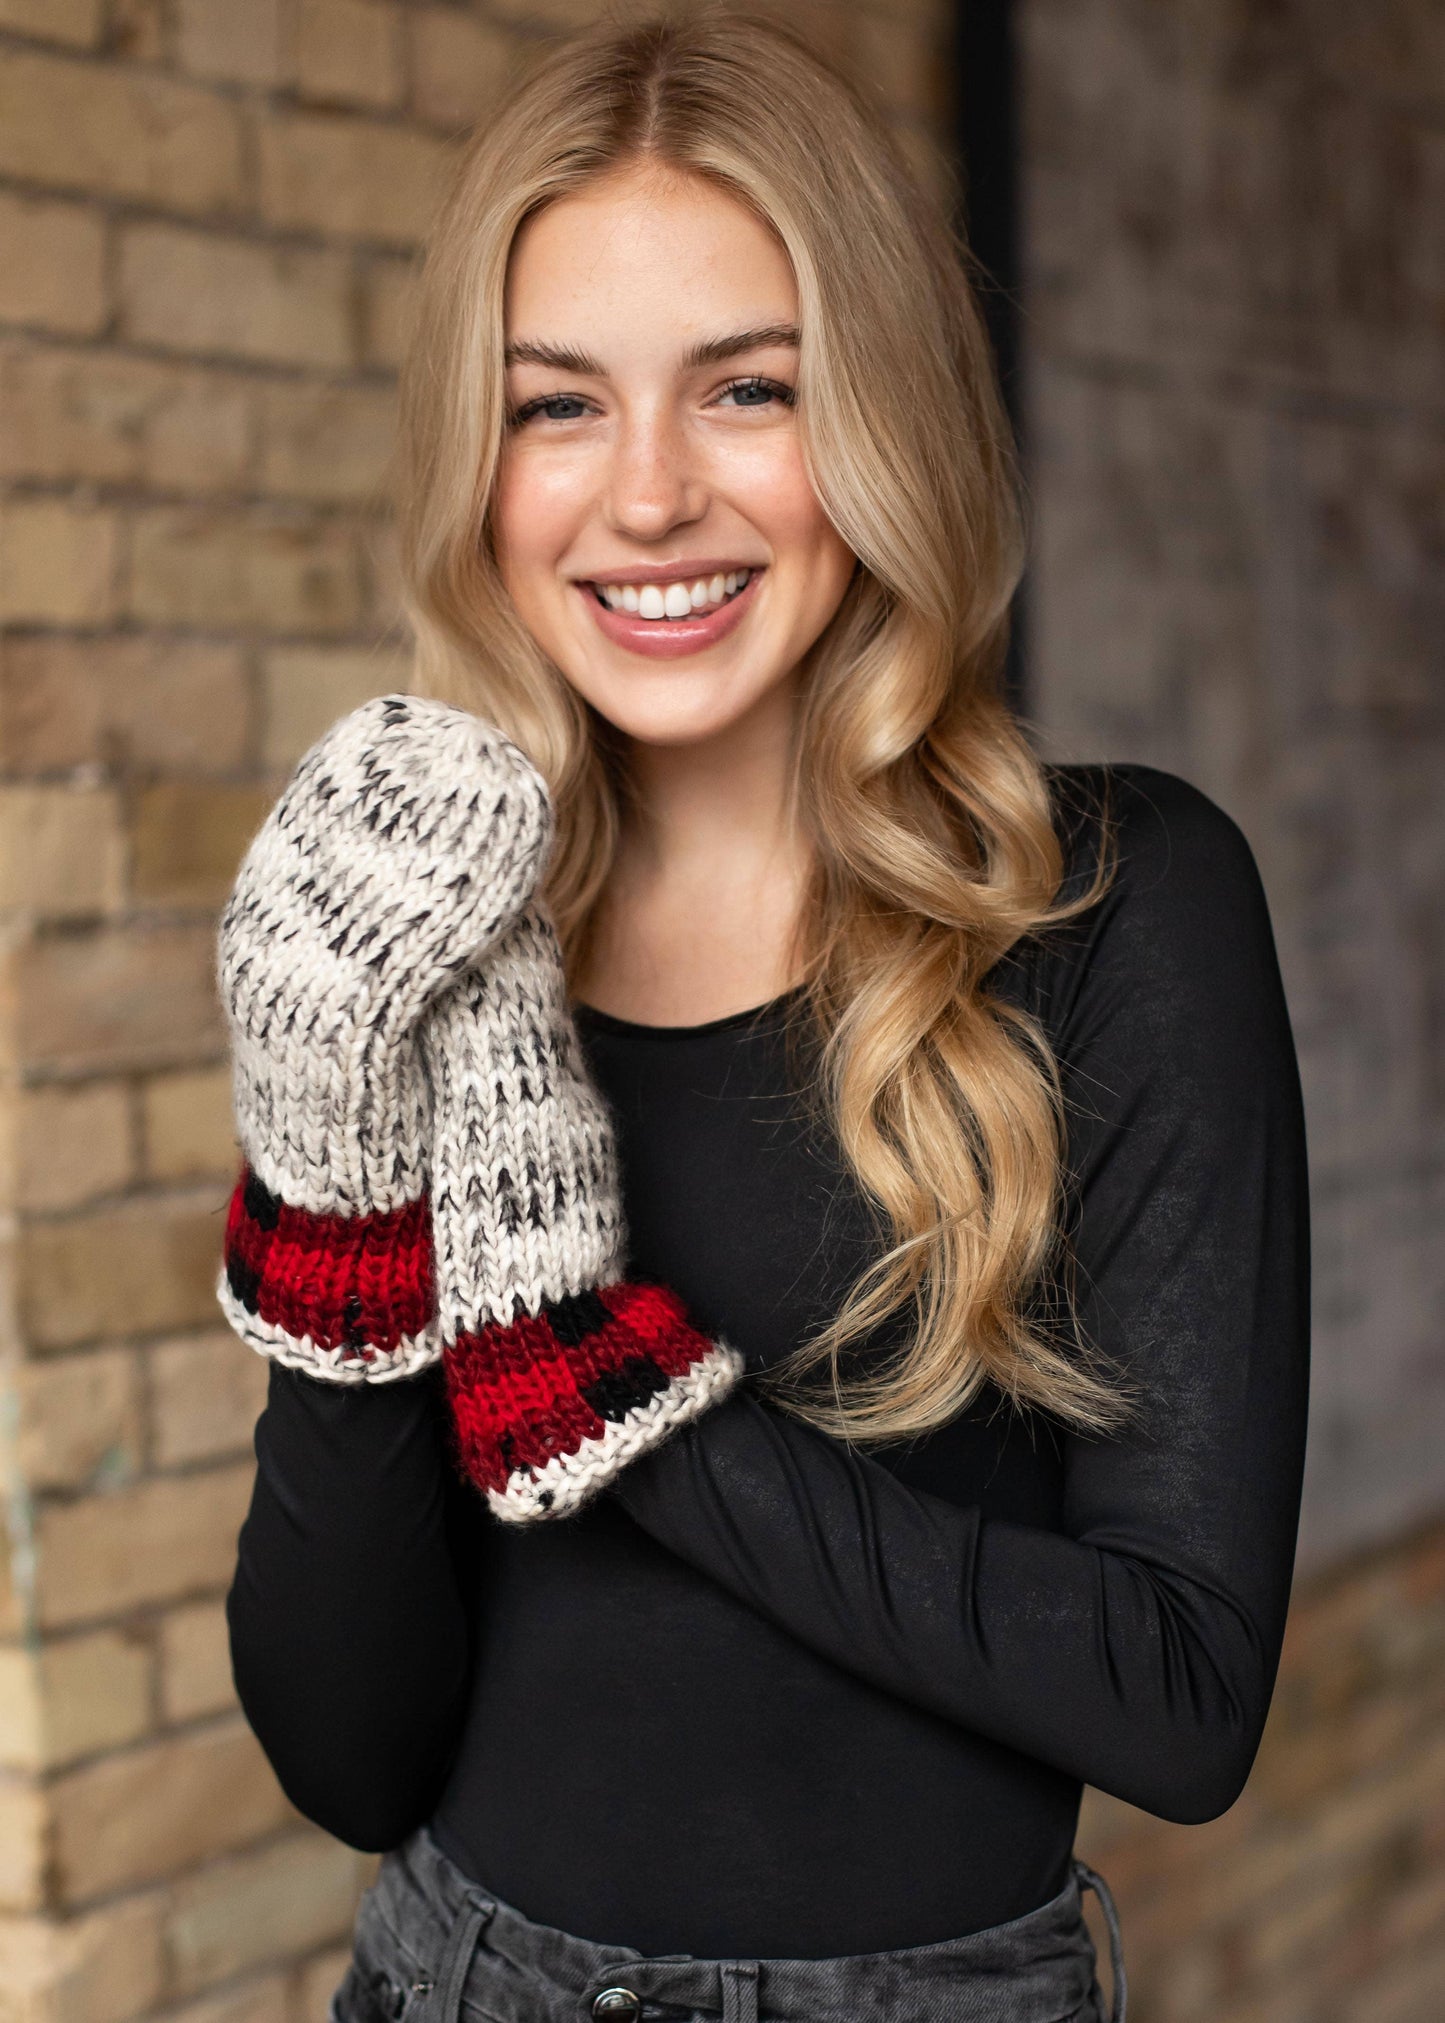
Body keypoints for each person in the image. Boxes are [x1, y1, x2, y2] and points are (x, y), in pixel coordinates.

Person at [218, 9, 1310, 2022]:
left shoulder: (1112, 910)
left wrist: (625, 1409)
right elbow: (346, 1756)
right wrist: (325, 1180)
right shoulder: (439, 937)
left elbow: (1179, 1693)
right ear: (483, 457)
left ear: (878, 411)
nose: (645, 495)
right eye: (558, 406)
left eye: (745, 388)